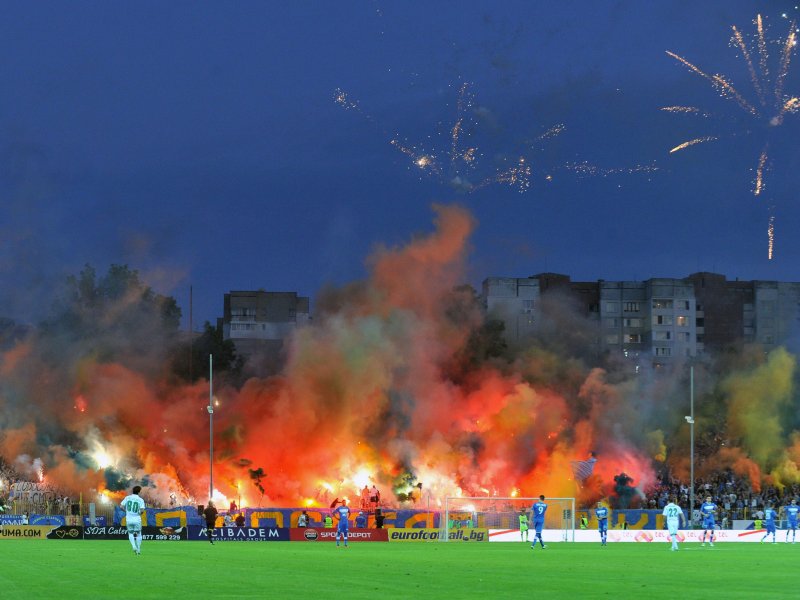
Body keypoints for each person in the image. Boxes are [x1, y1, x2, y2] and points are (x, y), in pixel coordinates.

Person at [121, 485, 146, 556]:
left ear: (133, 491)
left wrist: (126, 511)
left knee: (130, 533)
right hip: (137, 519)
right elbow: (142, 510)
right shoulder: (140, 500)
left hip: (129, 519)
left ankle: (133, 546)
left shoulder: (127, 498)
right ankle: (138, 549)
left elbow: (121, 506)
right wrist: (139, 513)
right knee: (139, 533)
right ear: (139, 492)